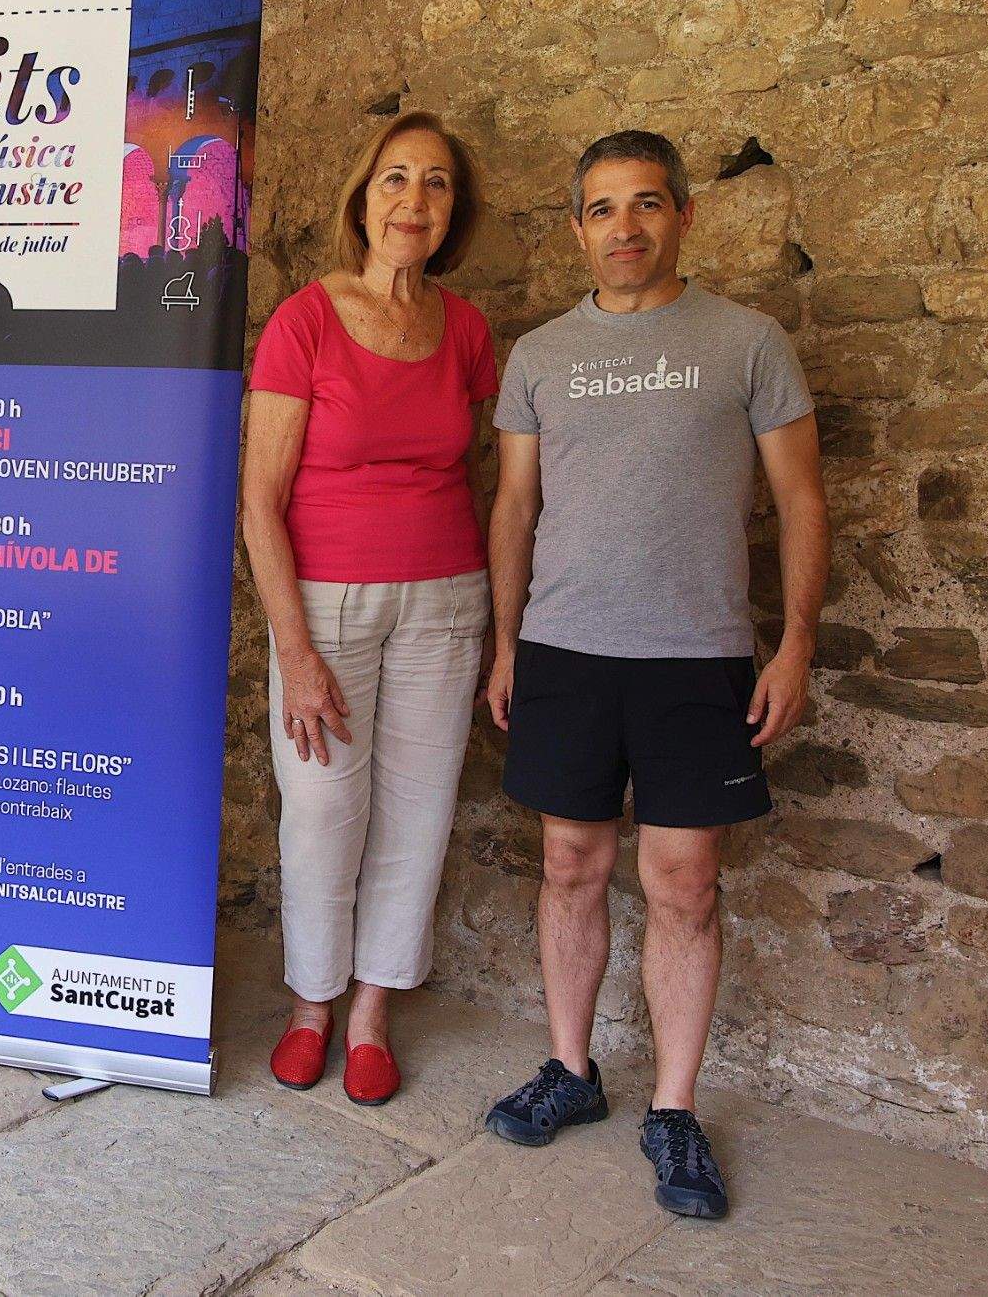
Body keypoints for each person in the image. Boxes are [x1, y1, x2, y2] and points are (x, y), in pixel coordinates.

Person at [480, 130, 829, 1219]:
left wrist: (798, 638)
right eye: (599, 208)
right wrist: (505, 644)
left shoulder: (749, 339)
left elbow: (804, 499)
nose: (622, 227)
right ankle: (572, 1071)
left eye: (644, 205)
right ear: (577, 224)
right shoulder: (538, 353)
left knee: (684, 881)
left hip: (698, 654)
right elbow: (515, 508)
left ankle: (673, 1108)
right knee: (570, 862)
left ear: (683, 215)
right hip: (566, 650)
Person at [242, 110, 497, 1106]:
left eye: (435, 183)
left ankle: (374, 1012)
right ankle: (311, 1003)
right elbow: (260, 500)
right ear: (363, 197)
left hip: (444, 599)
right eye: (396, 178)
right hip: (326, 602)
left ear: (451, 211)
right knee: (320, 810)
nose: (414, 200)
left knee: (418, 808)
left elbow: (462, 472)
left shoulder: (466, 327)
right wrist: (295, 648)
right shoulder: (305, 319)